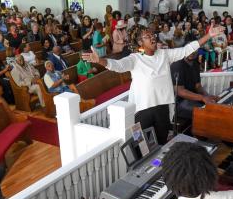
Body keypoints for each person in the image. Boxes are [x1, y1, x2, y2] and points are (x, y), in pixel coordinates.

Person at [84, 24, 225, 145]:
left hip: (162, 108)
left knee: (161, 143)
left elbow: (185, 50)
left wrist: (208, 35)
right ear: (140, 42)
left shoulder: (164, 55)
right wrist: (100, 61)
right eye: (147, 36)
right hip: (143, 110)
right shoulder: (135, 59)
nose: (152, 37)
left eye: (152, 35)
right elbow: (117, 65)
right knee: (142, 146)